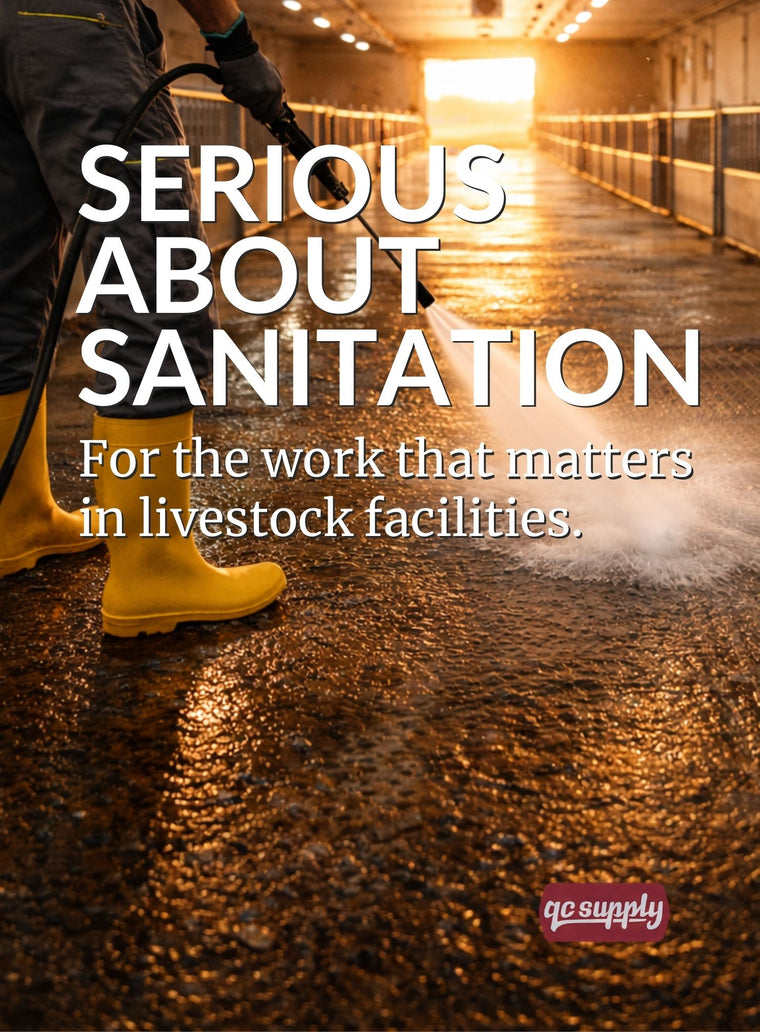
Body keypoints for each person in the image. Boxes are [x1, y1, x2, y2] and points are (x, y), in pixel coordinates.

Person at [0, 0, 287, 635]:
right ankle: (156, 573)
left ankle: (15, 521)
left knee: (8, 284)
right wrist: (233, 40)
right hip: (71, 28)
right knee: (154, 277)